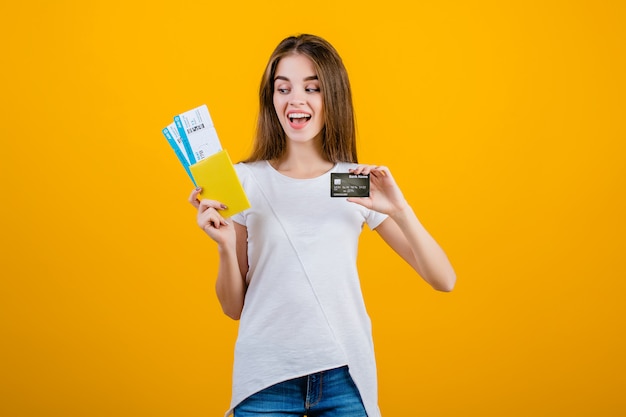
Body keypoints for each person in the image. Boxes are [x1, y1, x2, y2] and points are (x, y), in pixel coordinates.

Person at [189, 34, 456, 417]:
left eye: (312, 88)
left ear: (333, 97)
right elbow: (233, 307)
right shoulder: (243, 180)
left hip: (344, 377)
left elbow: (443, 279)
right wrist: (224, 245)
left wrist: (400, 209)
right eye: (284, 88)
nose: (296, 99)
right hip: (265, 378)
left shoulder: (352, 181)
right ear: (272, 100)